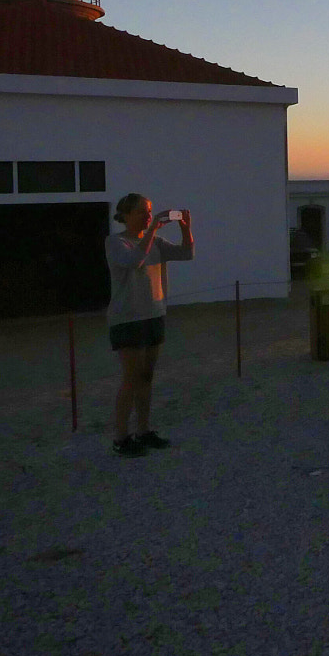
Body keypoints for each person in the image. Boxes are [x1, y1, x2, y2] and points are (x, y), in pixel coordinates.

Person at [104, 193, 195, 458]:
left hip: (154, 314)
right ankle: (121, 437)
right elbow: (135, 261)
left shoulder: (154, 241)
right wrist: (153, 228)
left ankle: (143, 431)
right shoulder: (115, 242)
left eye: (150, 211)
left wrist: (185, 228)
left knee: (146, 377)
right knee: (131, 379)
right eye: (143, 212)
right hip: (128, 318)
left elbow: (186, 254)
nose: (148, 216)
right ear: (127, 215)